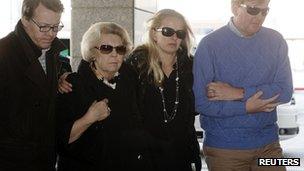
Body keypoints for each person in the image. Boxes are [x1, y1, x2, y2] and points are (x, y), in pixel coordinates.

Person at [193, 0, 293, 170]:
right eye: (254, 10)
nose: (260, 17)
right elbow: (201, 103)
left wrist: (238, 93)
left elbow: (284, 91)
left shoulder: (276, 41)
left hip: (270, 147)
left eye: (265, 11)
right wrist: (246, 107)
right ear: (235, 7)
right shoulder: (209, 45)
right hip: (225, 150)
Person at [56, 22, 149, 171]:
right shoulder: (73, 85)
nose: (114, 54)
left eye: (120, 49)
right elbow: (59, 140)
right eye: (106, 48)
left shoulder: (129, 78)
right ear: (92, 52)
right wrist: (89, 118)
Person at [127, 9, 202, 171]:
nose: (174, 37)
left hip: (181, 153)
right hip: (145, 155)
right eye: (167, 31)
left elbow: (197, 104)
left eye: (180, 33)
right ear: (154, 34)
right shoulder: (136, 65)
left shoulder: (191, 66)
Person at [0, 0, 66, 170]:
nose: (51, 33)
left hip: (46, 159)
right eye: (44, 26)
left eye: (56, 26)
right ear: (25, 19)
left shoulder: (54, 53)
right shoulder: (3, 53)